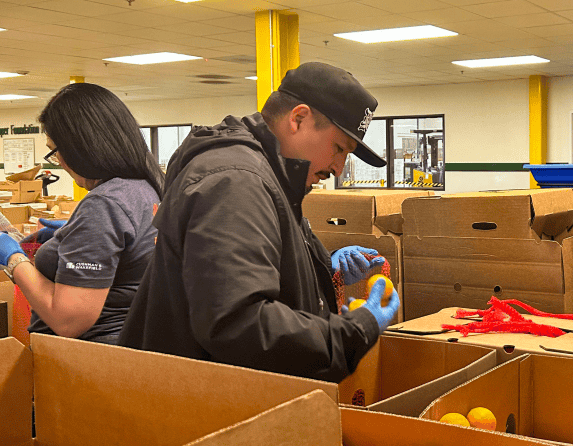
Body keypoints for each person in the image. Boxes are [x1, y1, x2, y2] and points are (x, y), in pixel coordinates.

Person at [119, 62, 399, 383]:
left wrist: (324, 270)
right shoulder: (236, 180)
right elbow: (238, 323)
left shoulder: (270, 174)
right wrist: (354, 333)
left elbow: (254, 270)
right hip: (200, 402)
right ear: (298, 118)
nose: (338, 168)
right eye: (338, 149)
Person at [0, 83, 163, 344]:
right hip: (134, 345)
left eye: (55, 151)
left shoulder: (106, 204)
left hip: (85, 357)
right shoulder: (145, 188)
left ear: (80, 147)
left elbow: (68, 320)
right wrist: (75, 235)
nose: (60, 163)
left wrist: (13, 258)